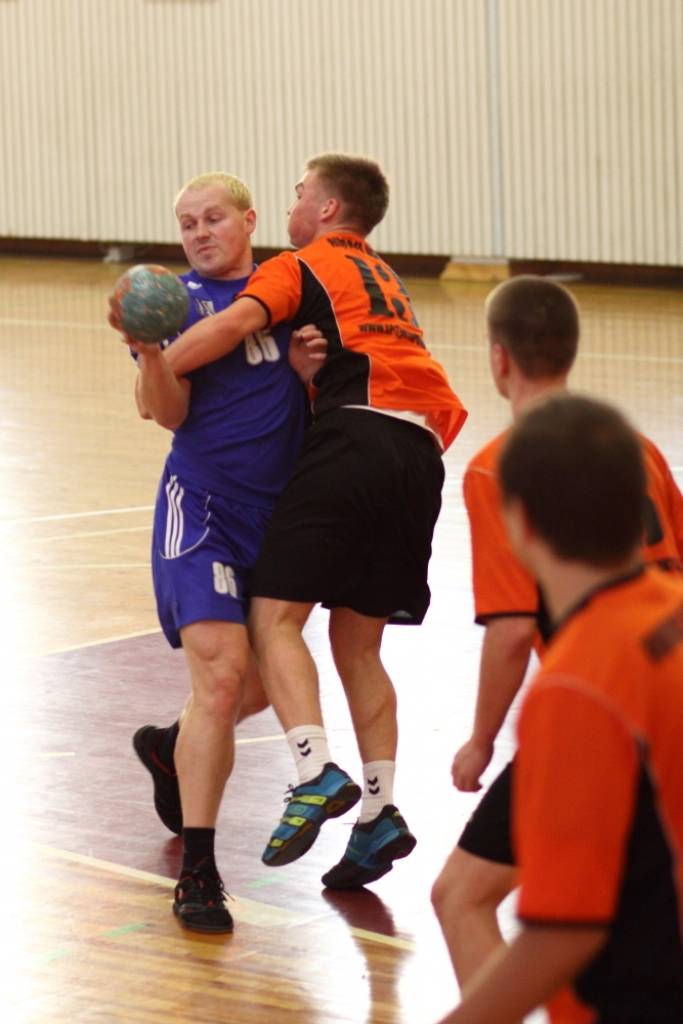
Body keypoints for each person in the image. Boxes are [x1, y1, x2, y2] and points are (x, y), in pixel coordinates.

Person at [158, 153, 468, 888]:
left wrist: (159, 362)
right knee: (359, 647)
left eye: (300, 194)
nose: (293, 205)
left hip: (355, 437)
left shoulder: (303, 263)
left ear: (326, 209)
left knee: (274, 620)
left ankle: (311, 771)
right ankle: (379, 812)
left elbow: (235, 323)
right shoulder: (385, 276)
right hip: (422, 452)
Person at [431, 276, 683, 995]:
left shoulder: (501, 466)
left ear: (498, 358)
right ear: (571, 349)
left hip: (607, 709)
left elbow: (512, 630)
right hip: (662, 670)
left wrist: (480, 739)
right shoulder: (631, 445)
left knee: (461, 895)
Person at [112, 171, 320, 934]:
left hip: (279, 520)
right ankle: (198, 871)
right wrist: (148, 352)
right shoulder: (175, 304)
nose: (200, 233)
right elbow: (165, 414)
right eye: (187, 224)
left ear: (249, 220)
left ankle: (172, 747)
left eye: (213, 219)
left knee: (252, 691)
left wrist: (310, 374)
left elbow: (317, 409)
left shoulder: (285, 295)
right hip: (200, 511)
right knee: (224, 675)